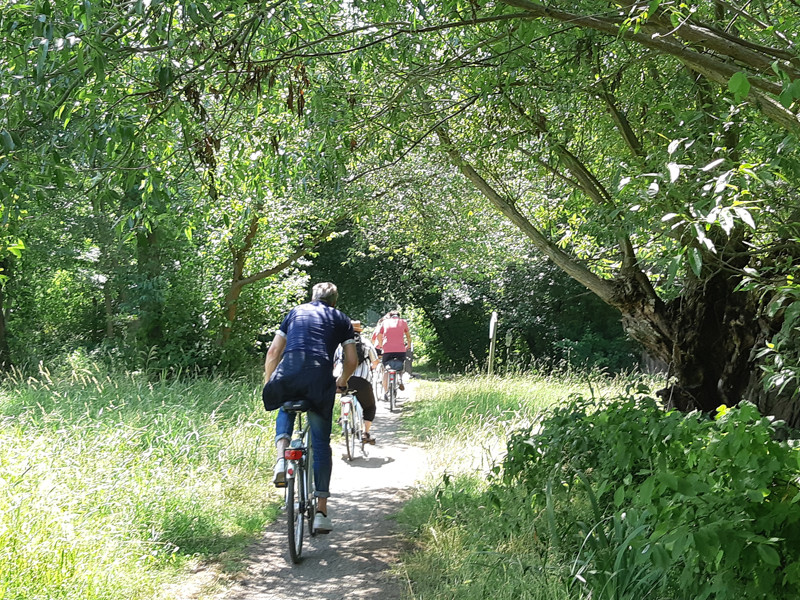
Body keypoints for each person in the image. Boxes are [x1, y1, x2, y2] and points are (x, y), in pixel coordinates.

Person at [262, 282, 357, 534]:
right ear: (334, 301)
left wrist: (270, 382)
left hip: (288, 375)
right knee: (321, 444)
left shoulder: (295, 312)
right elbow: (351, 360)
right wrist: (342, 381)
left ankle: (281, 461)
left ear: (312, 297)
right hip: (319, 382)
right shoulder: (341, 318)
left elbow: (273, 352)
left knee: (284, 406)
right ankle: (322, 513)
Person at [334, 321, 380, 443]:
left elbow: (335, 362)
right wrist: (371, 367)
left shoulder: (340, 344)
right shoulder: (366, 343)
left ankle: (343, 416)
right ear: (359, 331)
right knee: (369, 407)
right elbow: (375, 362)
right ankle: (365, 433)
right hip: (362, 380)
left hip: (342, 379)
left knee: (344, 390)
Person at [375, 309, 411, 397]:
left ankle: (385, 392)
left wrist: (381, 345)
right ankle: (400, 378)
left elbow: (379, 335)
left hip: (387, 350)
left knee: (386, 370)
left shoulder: (385, 322)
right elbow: (408, 336)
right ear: (399, 316)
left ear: (390, 317)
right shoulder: (403, 322)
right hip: (400, 350)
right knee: (401, 364)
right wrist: (408, 345)